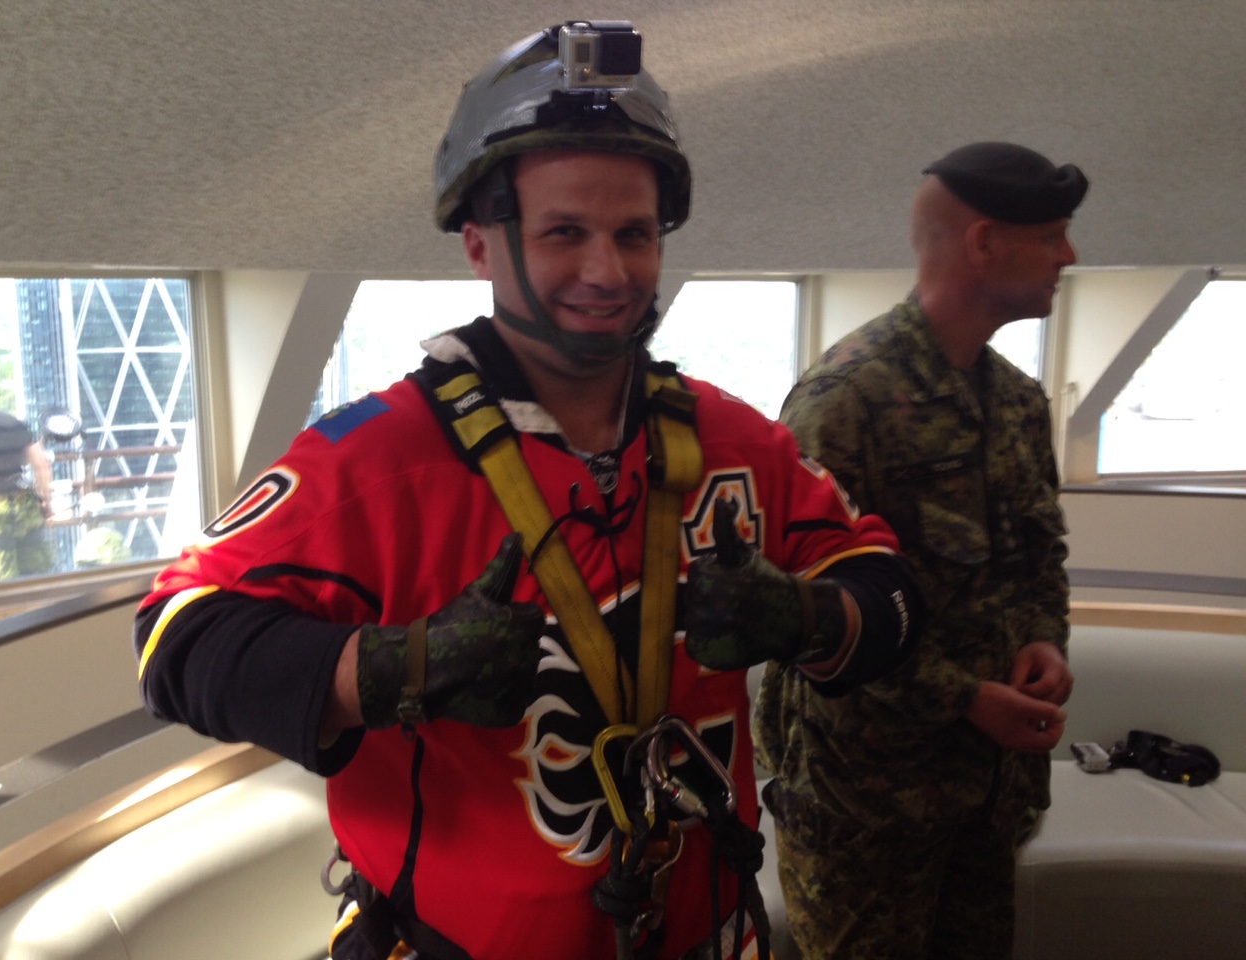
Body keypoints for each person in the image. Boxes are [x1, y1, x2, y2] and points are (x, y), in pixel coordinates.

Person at [133, 21, 922, 960]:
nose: (609, 271)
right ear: (479, 245)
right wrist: (396, 670)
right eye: (564, 233)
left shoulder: (733, 441)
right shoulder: (373, 458)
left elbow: (895, 593)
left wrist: (808, 618)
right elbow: (174, 640)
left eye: (635, 234)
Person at [760, 141, 1083, 959]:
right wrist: (962, 695)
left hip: (984, 792)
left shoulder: (1014, 400)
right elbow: (802, 618)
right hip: (866, 804)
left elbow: (1041, 555)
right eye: (1052, 235)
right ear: (983, 243)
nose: (1069, 255)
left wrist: (1045, 638)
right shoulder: (845, 399)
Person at [0, 375, 55, 583]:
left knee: (1, 589)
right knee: (39, 583)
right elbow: (42, 466)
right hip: (28, 507)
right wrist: (45, 501)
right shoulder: (13, 422)